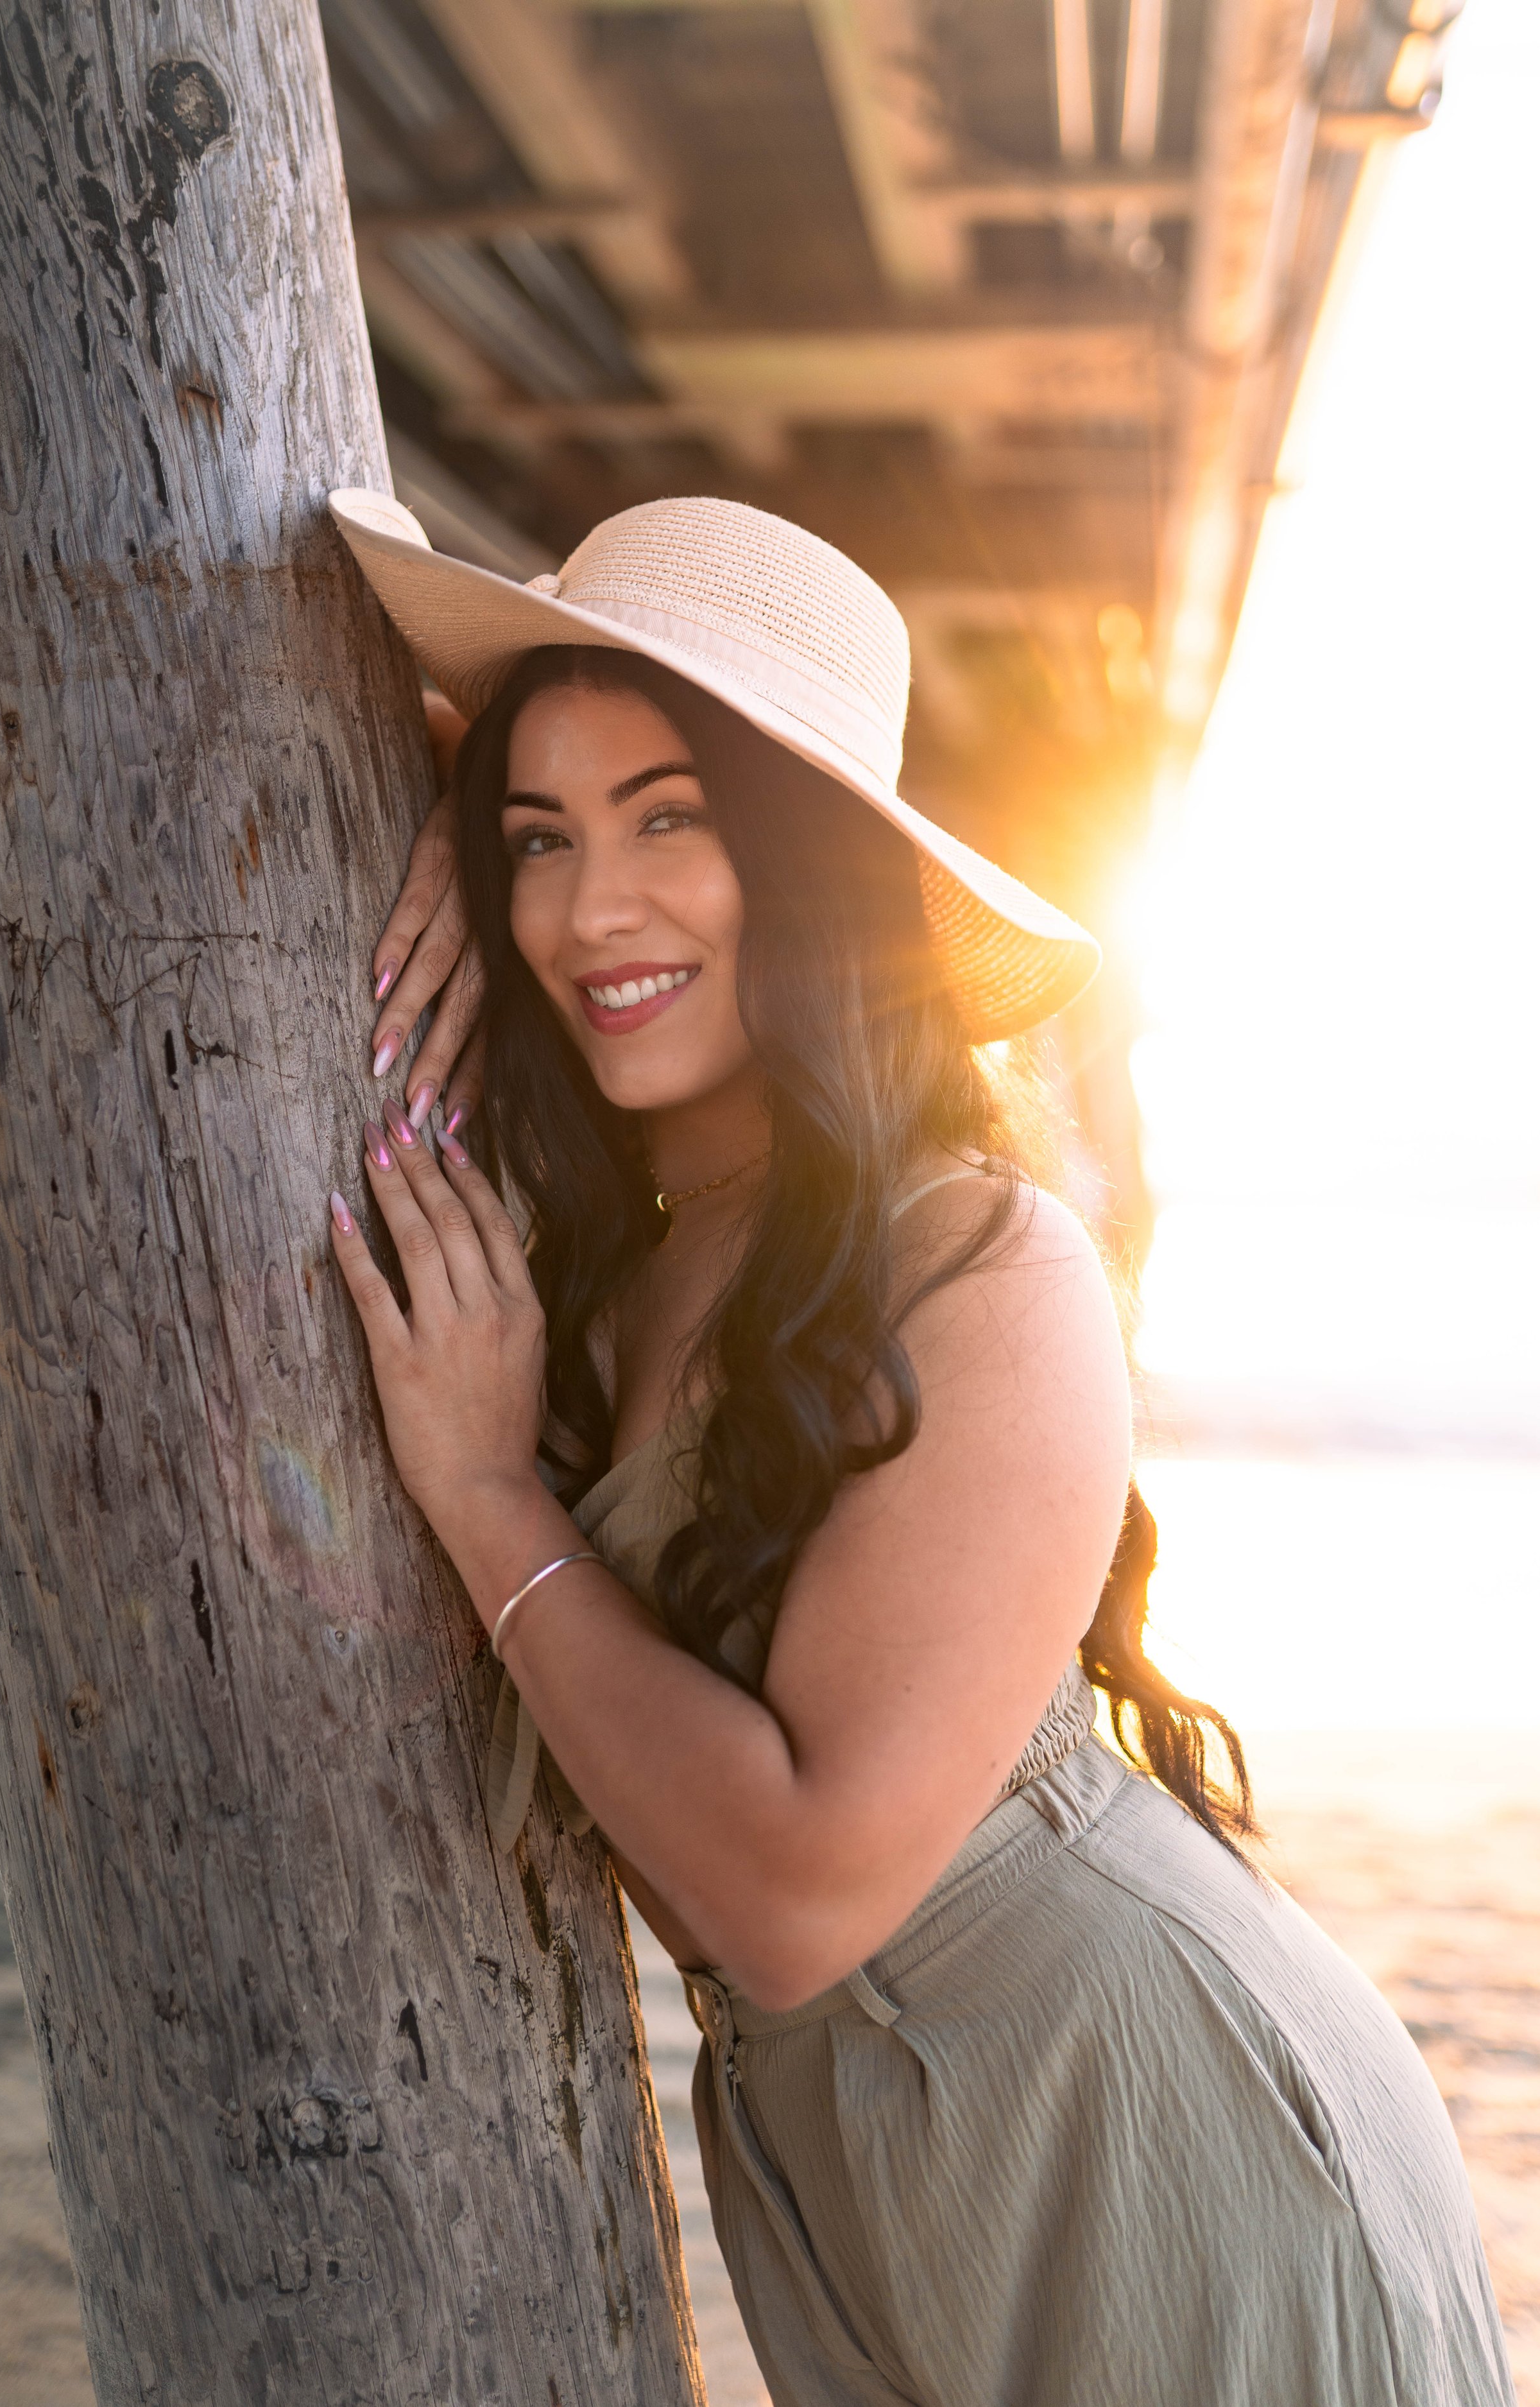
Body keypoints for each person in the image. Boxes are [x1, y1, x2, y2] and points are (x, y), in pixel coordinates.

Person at [321, 488, 1513, 2407]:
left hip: (1126, 2114)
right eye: (541, 842)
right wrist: (465, 837)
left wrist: (483, 1493)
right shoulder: (631, 1262)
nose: (586, 910)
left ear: (814, 862)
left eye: (673, 819)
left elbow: (797, 1889)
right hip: (854, 2140)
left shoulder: (979, 1261)